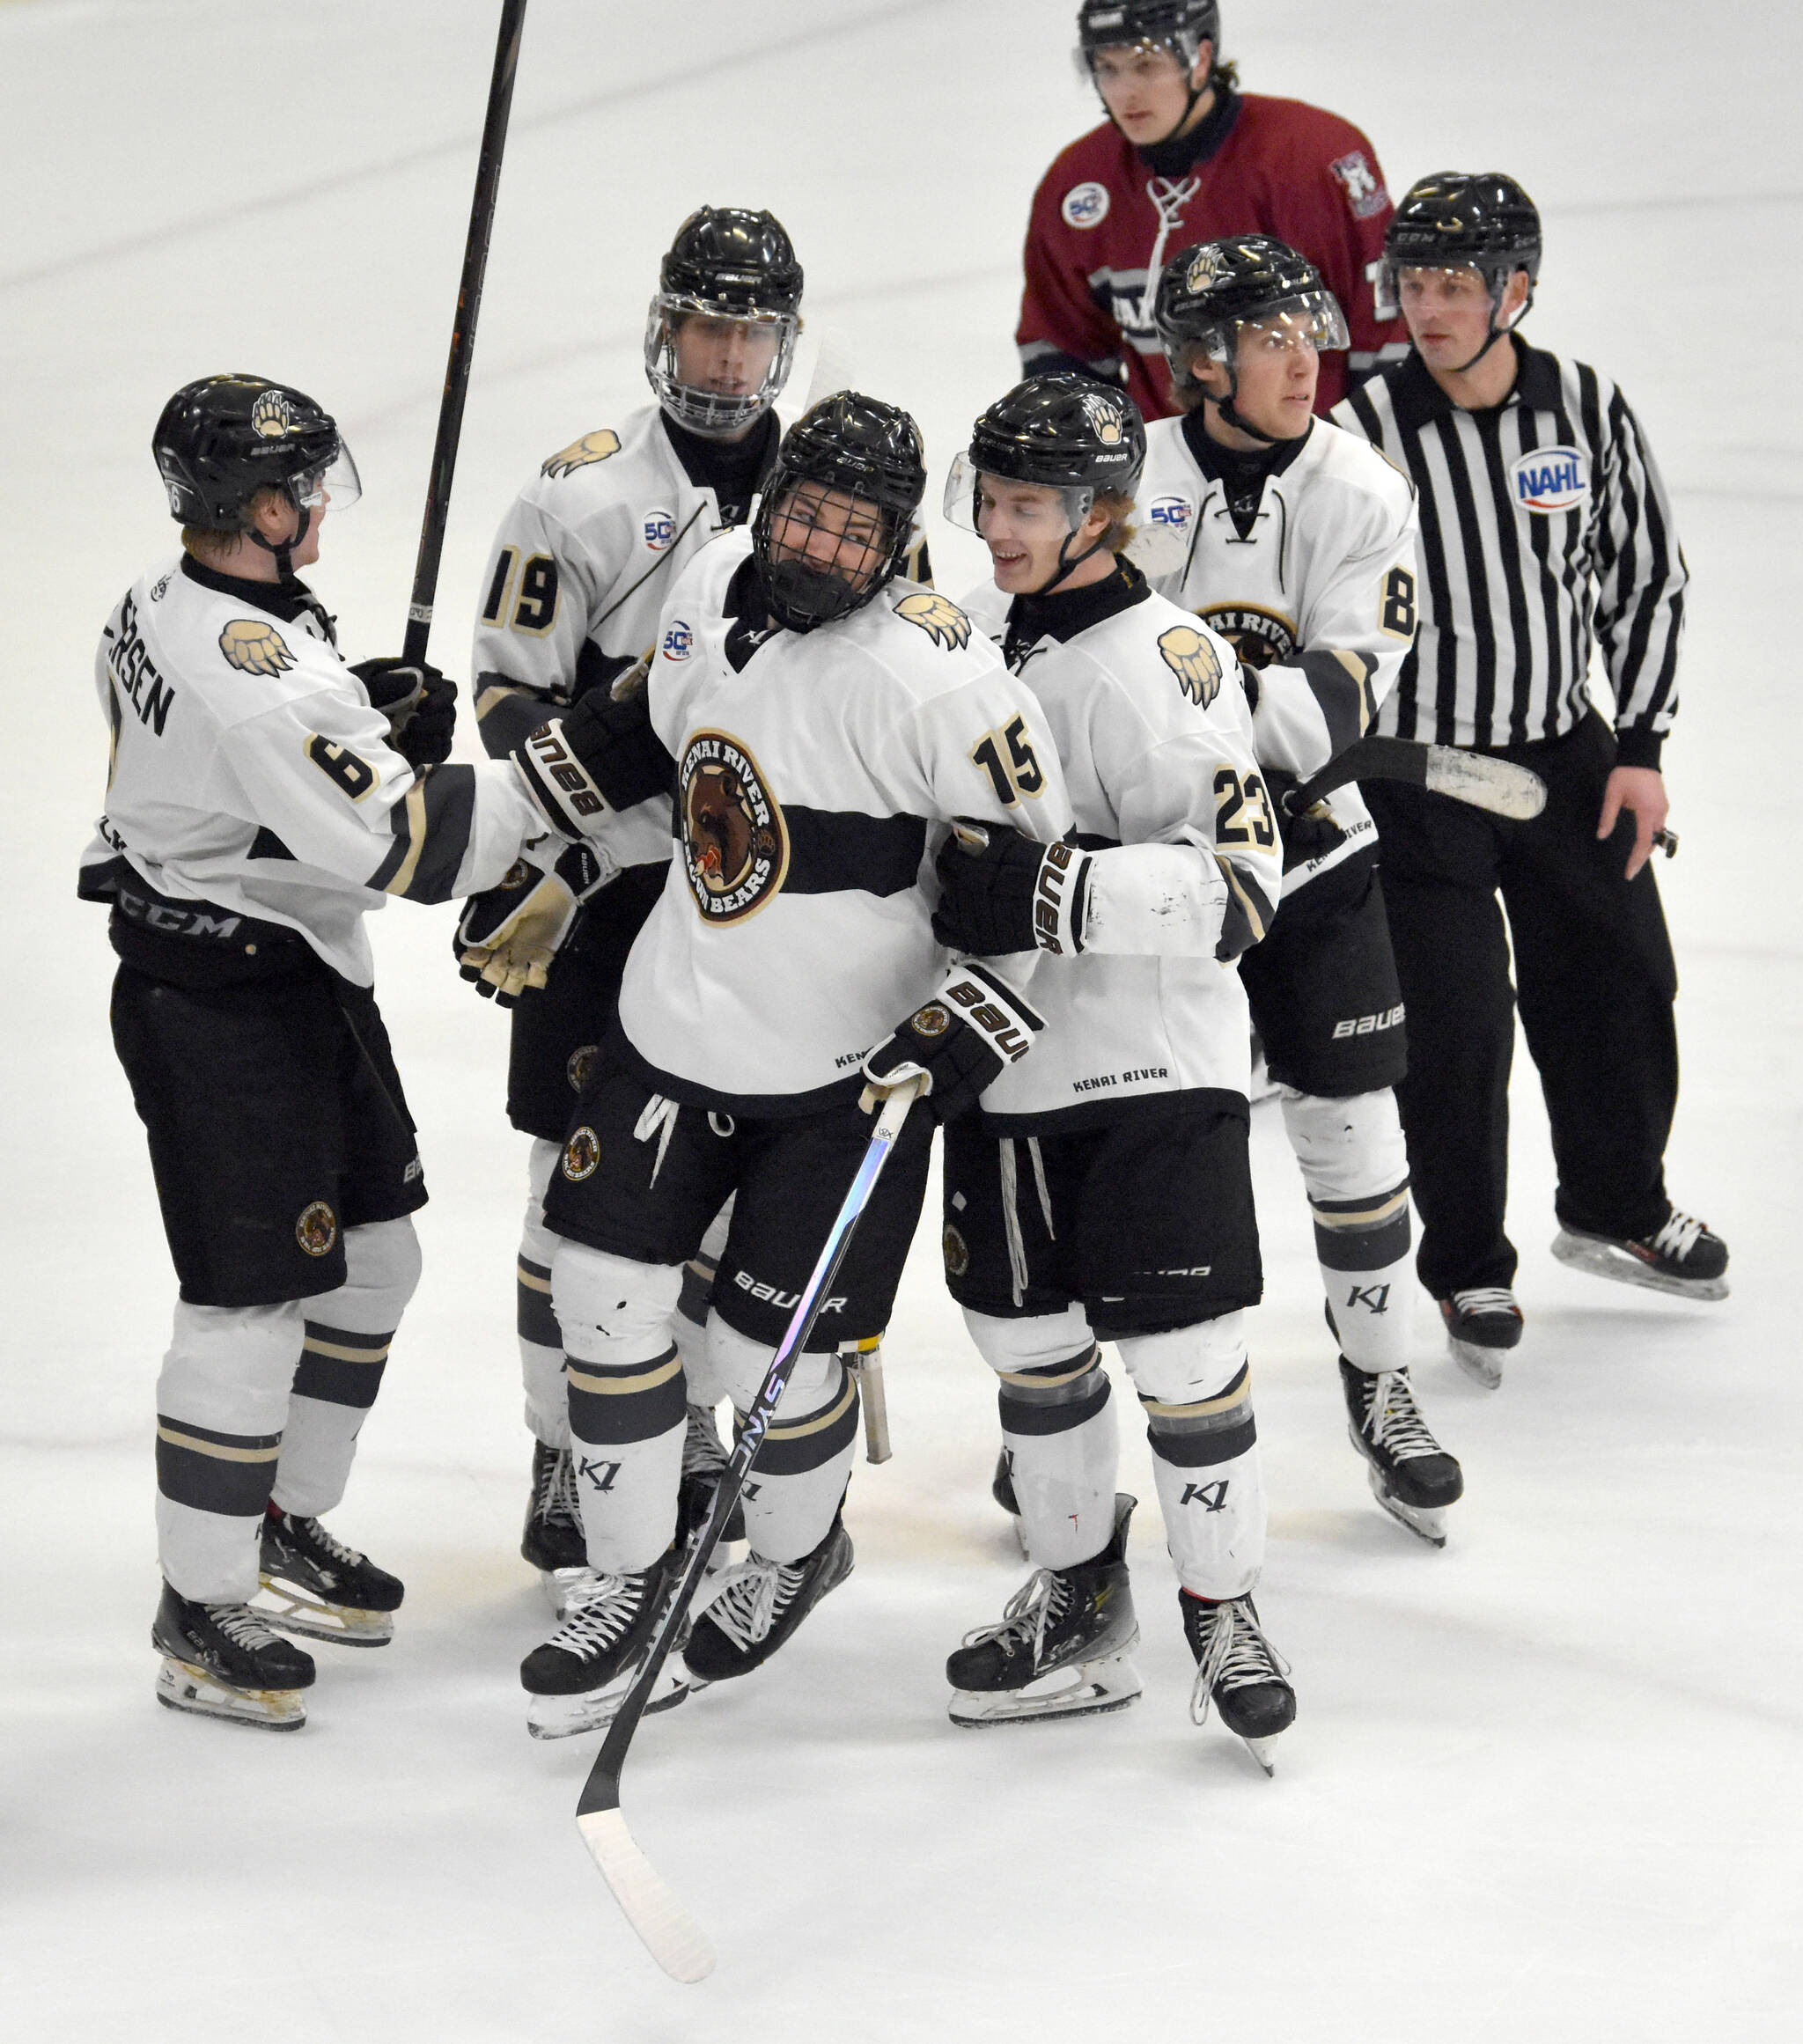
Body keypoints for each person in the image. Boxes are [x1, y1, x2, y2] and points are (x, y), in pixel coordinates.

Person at [510, 392, 1073, 1739]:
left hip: (841, 1072)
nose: (822, 545)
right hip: (672, 1023)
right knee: (596, 1289)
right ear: (773, 505)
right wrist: (537, 849)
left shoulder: (942, 680)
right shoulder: (707, 579)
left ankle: (792, 1553)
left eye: (856, 528)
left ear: (894, 547)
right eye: (808, 513)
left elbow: (1028, 882)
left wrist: (959, 1029)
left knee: (769, 1353)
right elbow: (657, 743)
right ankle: (634, 1573)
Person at [84, 374, 606, 1729]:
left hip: (290, 971)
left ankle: (274, 1519)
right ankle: (198, 1604)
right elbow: (409, 851)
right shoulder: (265, 680)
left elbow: (243, 756)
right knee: (248, 1307)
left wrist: (366, 719)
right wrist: (573, 765)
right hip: (219, 1003)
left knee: (378, 1259)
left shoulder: (178, 601)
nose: (320, 504)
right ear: (257, 509)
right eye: (304, 485)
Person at [931, 372, 1296, 1767]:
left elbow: (1248, 885)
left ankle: (1225, 1605)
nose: (1000, 527)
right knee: (1028, 1343)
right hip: (1002, 1066)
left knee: (1186, 1355)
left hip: (1152, 1064)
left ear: (1102, 516)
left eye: (1028, 506)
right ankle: (1082, 1599)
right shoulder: (958, 639)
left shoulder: (1168, 663)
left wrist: (1054, 892)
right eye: (992, 499)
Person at [1331, 173, 1727, 1386]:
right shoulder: (1357, 431)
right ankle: (1466, 1262)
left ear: (1517, 289)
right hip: (1415, 772)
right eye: (1414, 282)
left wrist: (1643, 749)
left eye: (1456, 285)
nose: (1430, 308)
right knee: (1453, 1025)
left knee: (1620, 982)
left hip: (1565, 757)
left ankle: (1616, 1200)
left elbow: (1644, 578)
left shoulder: (1587, 409)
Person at [464, 207, 803, 1610]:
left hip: (760, 904)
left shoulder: (838, 494)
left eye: (753, 331)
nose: (727, 358)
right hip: (607, 895)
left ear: (788, 339)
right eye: (705, 324)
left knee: (722, 1170)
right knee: (573, 1189)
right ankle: (563, 1446)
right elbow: (504, 699)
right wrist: (563, 838)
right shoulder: (578, 495)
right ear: (662, 326)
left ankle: (701, 1421)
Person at [1126, 234, 1462, 1544]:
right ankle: (1081, 1429)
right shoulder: (1126, 474)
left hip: (1315, 856)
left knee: (1356, 1135)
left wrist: (1156, 710)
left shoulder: (1363, 491)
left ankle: (1382, 1386)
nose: (1302, 356)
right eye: (1269, 338)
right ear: (1200, 361)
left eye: (1307, 329)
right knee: (1142, 1147)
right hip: (1162, 885)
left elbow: (1327, 711)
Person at [1017, 0, 1406, 426]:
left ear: (1200, 58)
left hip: (1315, 455)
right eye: (1108, 68)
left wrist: (1354, 455)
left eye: (1146, 65)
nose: (1125, 91)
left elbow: (1382, 327)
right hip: (1164, 472)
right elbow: (1064, 347)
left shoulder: (1309, 159)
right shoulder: (1076, 184)